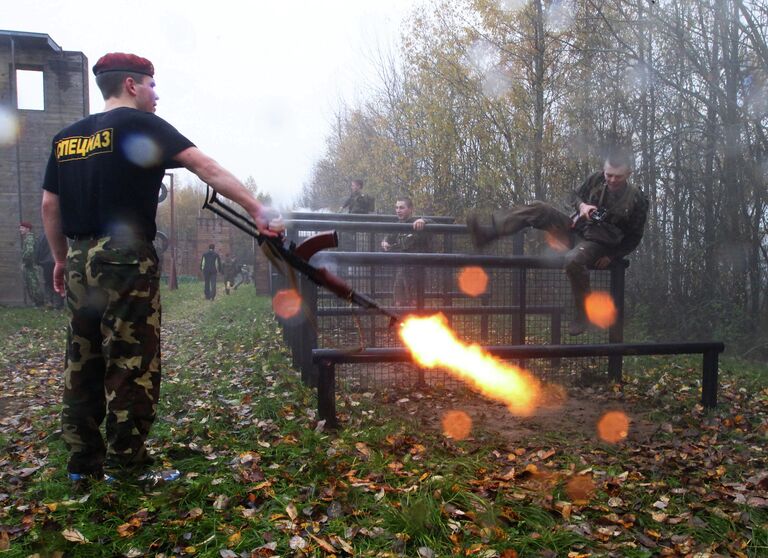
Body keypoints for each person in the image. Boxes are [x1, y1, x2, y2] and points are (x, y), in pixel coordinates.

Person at [40, 52, 277, 485]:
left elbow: (49, 205)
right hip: (125, 258)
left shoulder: (66, 138)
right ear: (131, 85)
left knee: (83, 358)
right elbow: (205, 167)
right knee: (132, 360)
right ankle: (128, 468)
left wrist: (60, 259)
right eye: (151, 85)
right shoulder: (140, 125)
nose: (156, 94)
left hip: (79, 258)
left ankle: (81, 465)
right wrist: (258, 209)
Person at [467, 150, 648, 336]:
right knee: (539, 208)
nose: (611, 180)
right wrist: (583, 206)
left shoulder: (637, 200)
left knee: (573, 260)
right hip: (575, 228)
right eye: (608, 175)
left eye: (618, 177)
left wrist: (613, 255)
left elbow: (634, 236)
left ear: (628, 174)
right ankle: (488, 234)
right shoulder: (596, 180)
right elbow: (573, 197)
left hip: (597, 244)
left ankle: (584, 312)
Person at [381, 197, 432, 307]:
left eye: (401, 208)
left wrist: (424, 220)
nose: (398, 210)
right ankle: (400, 324)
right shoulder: (398, 225)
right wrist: (384, 242)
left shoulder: (417, 221)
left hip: (416, 271)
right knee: (398, 302)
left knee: (415, 303)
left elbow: (434, 222)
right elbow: (388, 238)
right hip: (402, 269)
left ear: (410, 209)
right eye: (396, 208)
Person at [34, 230, 63, 309]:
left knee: (48, 282)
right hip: (58, 261)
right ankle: (58, 304)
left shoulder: (42, 236)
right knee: (58, 282)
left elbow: (38, 248)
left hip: (46, 263)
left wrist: (37, 261)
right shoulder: (60, 234)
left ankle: (49, 302)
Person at [19, 222, 44, 307]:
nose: (20, 230)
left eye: (22, 228)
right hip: (30, 265)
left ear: (27, 229)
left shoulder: (29, 238)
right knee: (31, 284)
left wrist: (24, 262)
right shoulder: (29, 238)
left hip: (31, 266)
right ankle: (37, 303)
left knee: (33, 285)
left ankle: (39, 303)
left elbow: (29, 252)